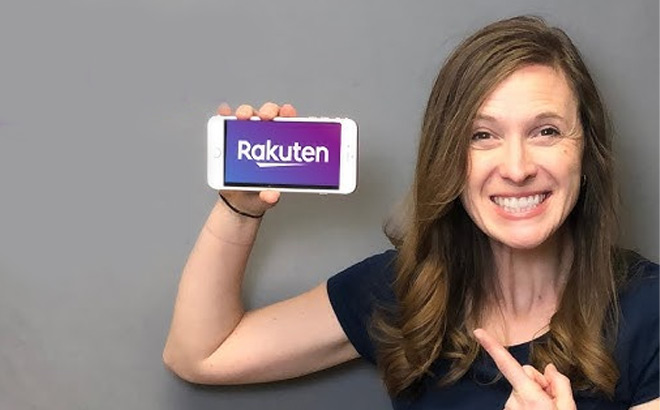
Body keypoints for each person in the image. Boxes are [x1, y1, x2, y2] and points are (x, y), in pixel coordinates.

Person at [162, 15, 659, 410]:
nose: (516, 167)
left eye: (545, 131)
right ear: (447, 158)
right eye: (481, 135)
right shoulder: (405, 290)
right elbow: (202, 353)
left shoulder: (651, 311)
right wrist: (239, 208)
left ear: (587, 154)